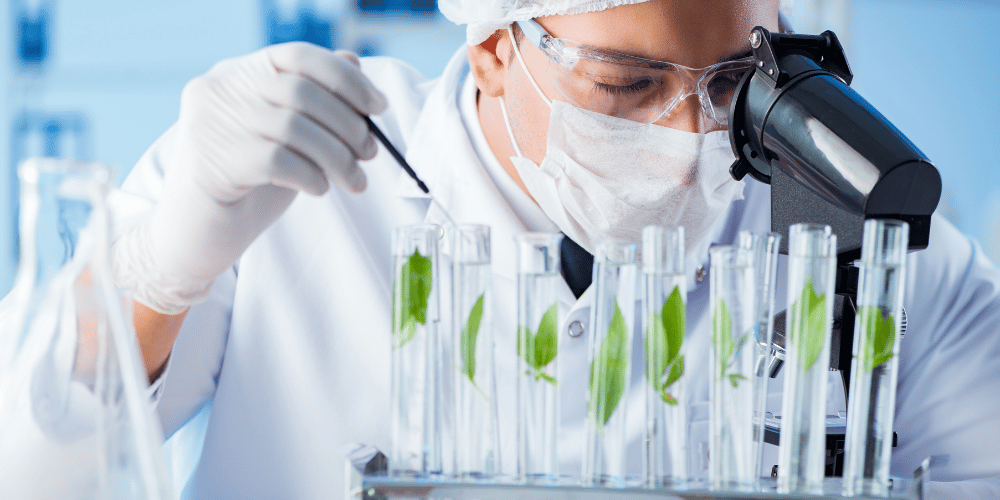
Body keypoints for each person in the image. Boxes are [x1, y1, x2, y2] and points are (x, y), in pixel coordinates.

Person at [102, 0, 1000, 498]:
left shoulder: (885, 261)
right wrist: (158, 271)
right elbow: (31, 460)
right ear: (495, 48)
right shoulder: (291, 169)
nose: (691, 135)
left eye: (730, 84)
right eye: (627, 83)